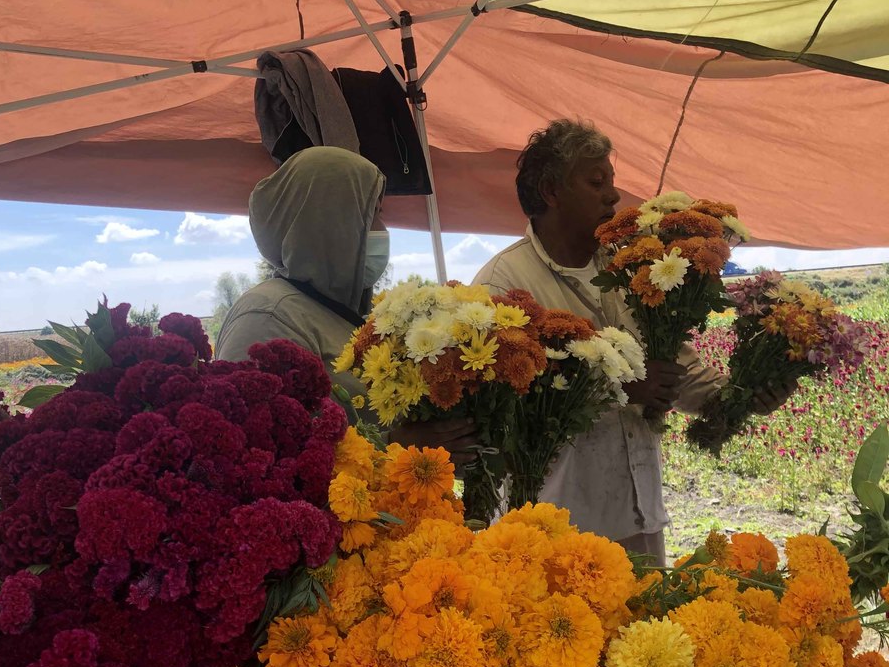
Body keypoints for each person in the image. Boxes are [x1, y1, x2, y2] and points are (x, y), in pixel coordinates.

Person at [475, 120, 791, 563]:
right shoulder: (503, 284)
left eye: (612, 181)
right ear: (550, 191)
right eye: (596, 182)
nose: (613, 196)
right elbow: (498, 411)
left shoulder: (631, 269)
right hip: (553, 530)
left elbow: (679, 371)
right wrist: (619, 389)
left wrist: (744, 396)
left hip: (638, 515)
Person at [215, 146, 475, 463]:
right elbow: (259, 456)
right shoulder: (267, 317)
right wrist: (395, 447)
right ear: (330, 221)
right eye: (373, 213)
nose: (383, 229)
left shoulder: (339, 309)